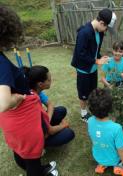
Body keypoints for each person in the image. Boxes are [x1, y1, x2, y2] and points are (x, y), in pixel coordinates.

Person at [0, 6, 58, 176]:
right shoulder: (1, 64)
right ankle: (36, 170)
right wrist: (16, 98)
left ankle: (39, 169)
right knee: (32, 155)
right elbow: (3, 103)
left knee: (19, 148)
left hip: (11, 122)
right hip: (22, 120)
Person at [71, 8, 117, 122]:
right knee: (83, 94)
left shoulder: (99, 32)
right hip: (84, 70)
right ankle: (83, 114)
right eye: (106, 28)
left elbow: (94, 50)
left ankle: (92, 110)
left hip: (92, 68)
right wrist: (96, 61)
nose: (106, 31)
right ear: (101, 23)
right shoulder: (84, 33)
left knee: (92, 91)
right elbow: (80, 53)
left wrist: (100, 57)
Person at [24, 65, 75, 147]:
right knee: (69, 133)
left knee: (61, 110)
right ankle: (41, 146)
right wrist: (64, 125)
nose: (51, 81)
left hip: (40, 126)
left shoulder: (35, 90)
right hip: (33, 139)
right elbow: (50, 131)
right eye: (49, 80)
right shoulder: (32, 102)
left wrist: (47, 120)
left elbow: (50, 104)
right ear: (40, 84)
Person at [87, 88, 123, 176]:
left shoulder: (90, 121)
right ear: (110, 108)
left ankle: (102, 165)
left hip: (98, 157)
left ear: (91, 108)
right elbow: (121, 150)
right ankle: (118, 166)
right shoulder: (116, 128)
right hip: (113, 159)